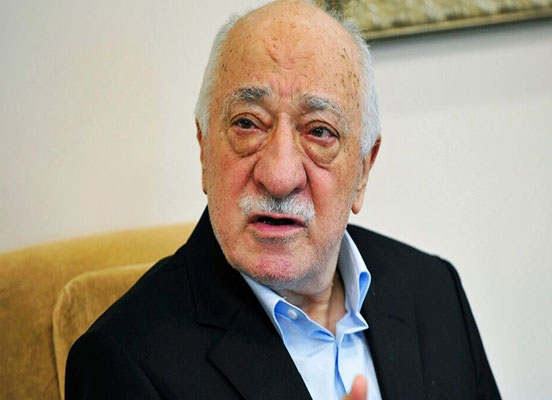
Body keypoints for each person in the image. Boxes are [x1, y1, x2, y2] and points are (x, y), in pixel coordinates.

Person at [66, 1, 501, 399]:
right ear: (203, 150)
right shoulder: (121, 362)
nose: (278, 177)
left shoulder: (434, 290)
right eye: (248, 124)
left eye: (319, 131)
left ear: (363, 170)